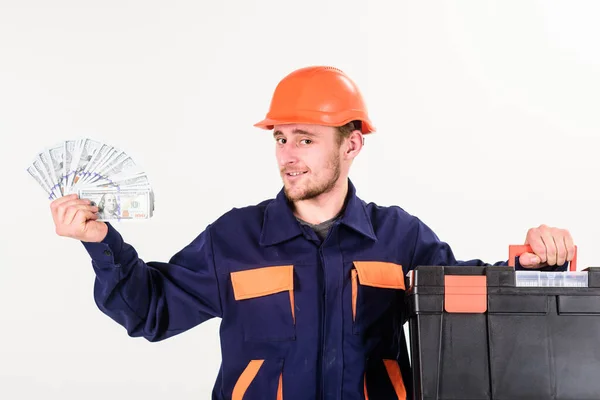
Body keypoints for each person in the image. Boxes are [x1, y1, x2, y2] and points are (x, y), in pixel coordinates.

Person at [50, 66, 575, 400]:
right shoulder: (233, 238)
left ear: (351, 147)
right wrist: (101, 244)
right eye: (280, 138)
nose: (287, 155)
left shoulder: (400, 237)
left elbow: (468, 302)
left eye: (305, 139)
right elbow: (152, 312)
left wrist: (526, 266)